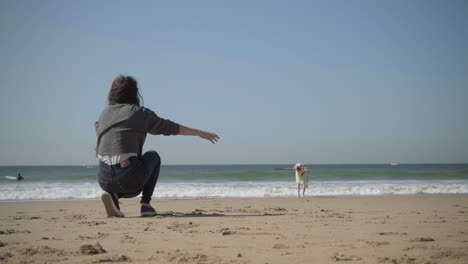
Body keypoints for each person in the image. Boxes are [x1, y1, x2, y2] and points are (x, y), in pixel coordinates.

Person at [95, 75, 220, 217]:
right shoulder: (138, 113)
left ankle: (113, 197)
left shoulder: (104, 113)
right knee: (153, 156)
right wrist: (198, 132)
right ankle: (146, 205)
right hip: (129, 178)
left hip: (104, 178)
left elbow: (99, 130)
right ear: (135, 93)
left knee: (124, 171)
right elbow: (168, 127)